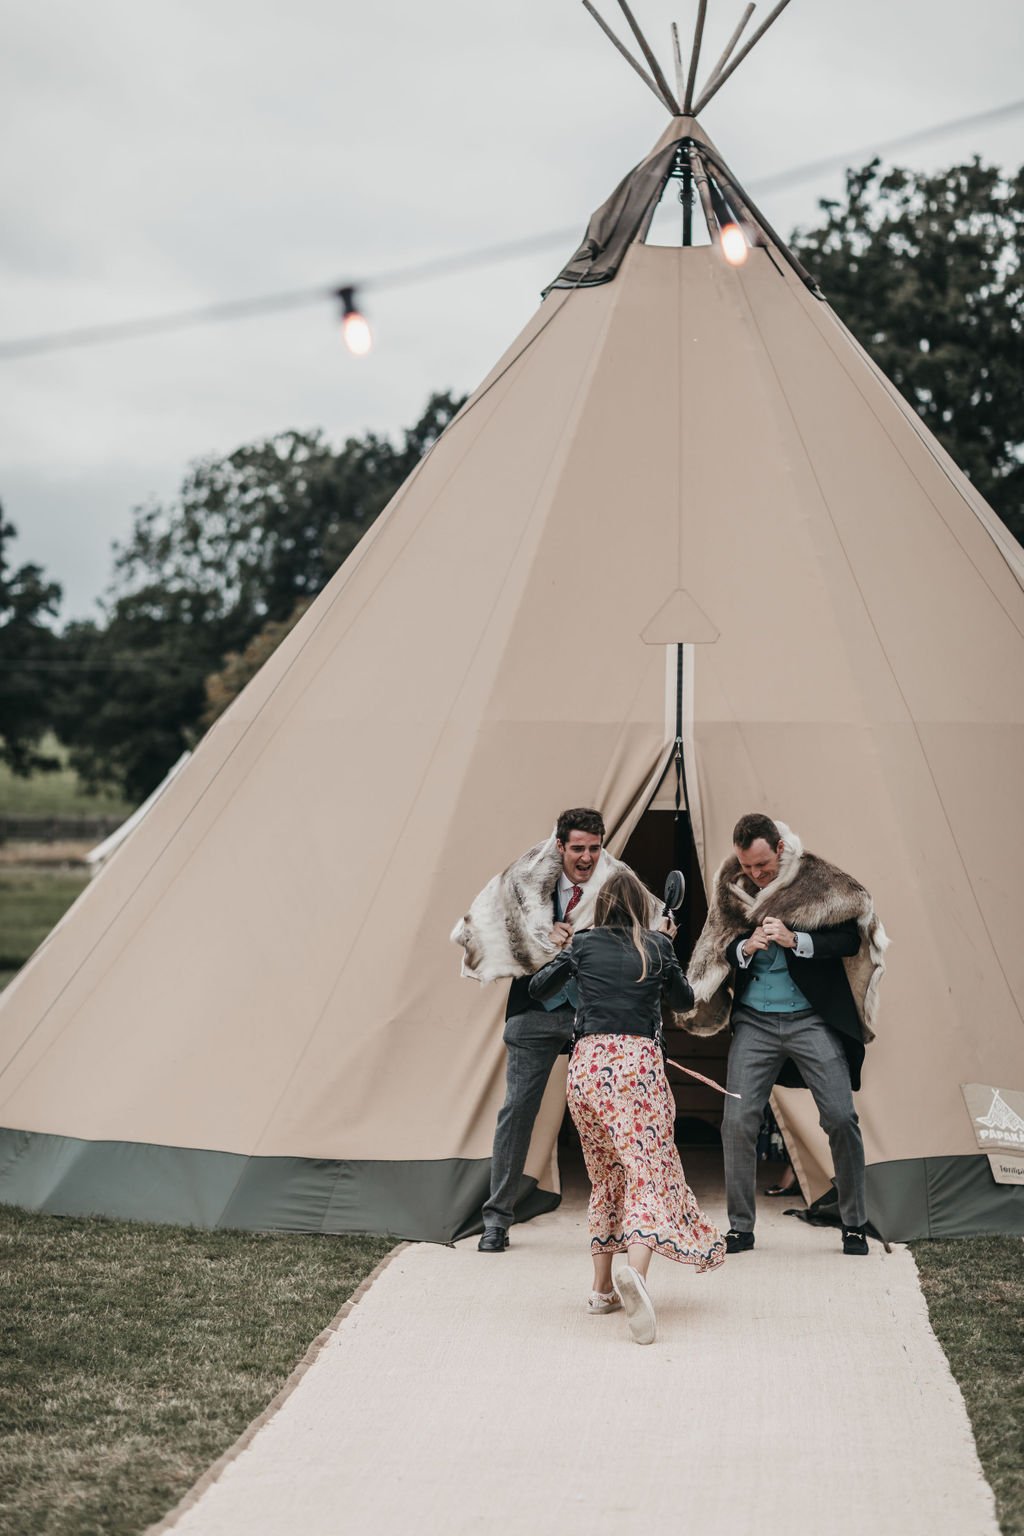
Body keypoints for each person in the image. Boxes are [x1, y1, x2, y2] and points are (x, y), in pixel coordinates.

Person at [530, 868, 725, 1344]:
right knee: (647, 1173)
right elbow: (682, 1001)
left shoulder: (582, 944)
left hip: (587, 1068)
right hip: (635, 1069)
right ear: (641, 906)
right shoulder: (656, 947)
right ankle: (635, 1277)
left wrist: (569, 954)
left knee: (607, 1176)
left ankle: (600, 1290)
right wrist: (668, 947)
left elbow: (538, 989)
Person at [686, 813, 888, 1258]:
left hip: (811, 1018)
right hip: (755, 1021)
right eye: (748, 866)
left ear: (779, 848)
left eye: (762, 864)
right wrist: (745, 947)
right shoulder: (731, 883)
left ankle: (853, 1222)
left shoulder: (816, 880)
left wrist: (796, 940)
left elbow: (847, 941)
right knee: (737, 1122)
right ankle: (741, 1227)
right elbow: (719, 940)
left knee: (840, 1117)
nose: (755, 874)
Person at [461, 808, 627, 1253]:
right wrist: (539, 935)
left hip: (591, 1014)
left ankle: (621, 1219)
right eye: (578, 848)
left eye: (594, 848)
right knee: (516, 1113)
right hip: (534, 1009)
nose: (587, 857)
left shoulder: (616, 883)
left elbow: (633, 936)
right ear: (560, 846)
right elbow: (496, 924)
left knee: (610, 1114)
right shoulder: (525, 879)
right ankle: (497, 1220)